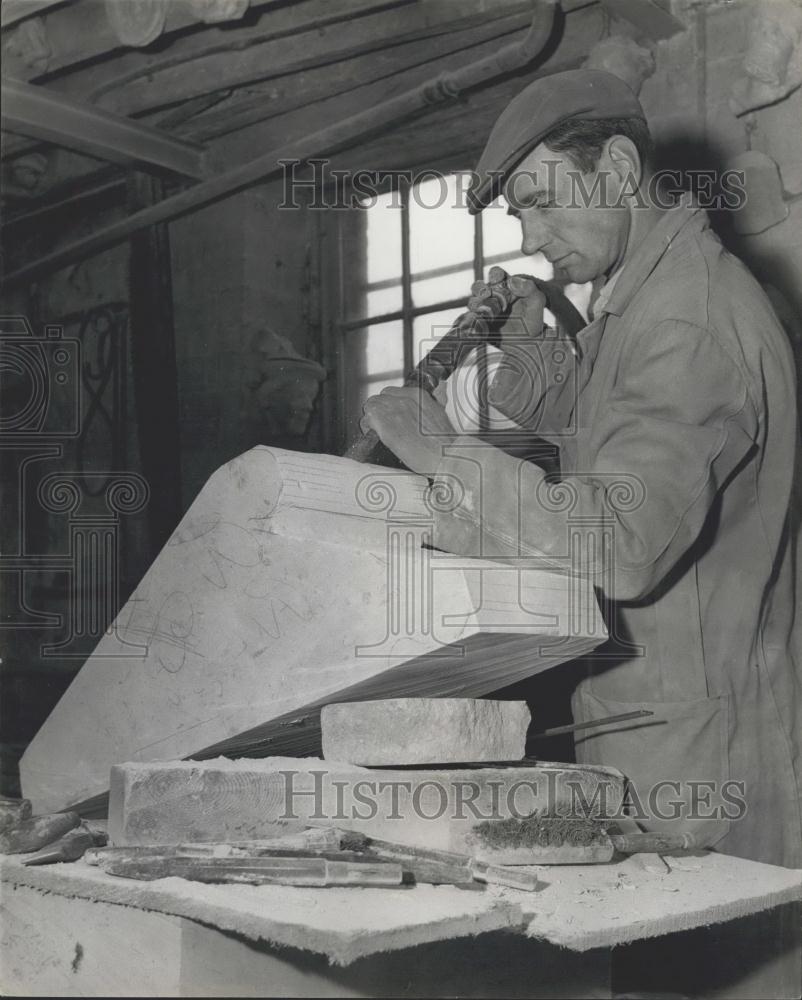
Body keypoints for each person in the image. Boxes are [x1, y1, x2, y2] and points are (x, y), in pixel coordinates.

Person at [361, 69, 802, 869]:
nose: (530, 237)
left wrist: (440, 451)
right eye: (520, 210)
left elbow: (624, 536)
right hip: (653, 724)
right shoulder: (645, 295)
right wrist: (532, 342)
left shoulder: (687, 318)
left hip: (706, 751)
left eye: (541, 199)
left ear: (621, 171)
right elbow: (617, 439)